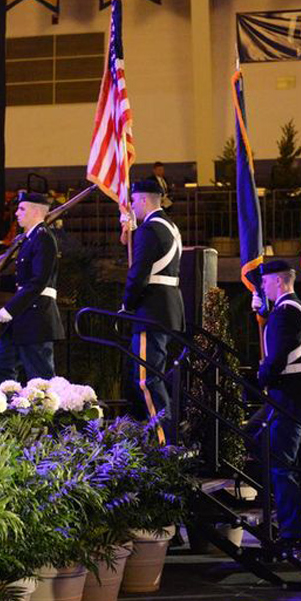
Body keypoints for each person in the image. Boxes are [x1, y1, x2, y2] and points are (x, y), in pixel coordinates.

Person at [248, 259, 301, 555]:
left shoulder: (285, 313)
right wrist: (264, 311)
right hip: (292, 392)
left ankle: (292, 531)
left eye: (265, 282)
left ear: (278, 282)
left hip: (287, 393)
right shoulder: (298, 308)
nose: (263, 287)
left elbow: (278, 355)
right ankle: (285, 519)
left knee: (281, 463)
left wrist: (259, 378)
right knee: (257, 439)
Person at [121, 178, 183, 442]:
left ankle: (163, 442)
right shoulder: (170, 226)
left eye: (134, 201)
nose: (132, 206)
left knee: (147, 380)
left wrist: (127, 304)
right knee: (153, 377)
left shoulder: (149, 230)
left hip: (151, 310)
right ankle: (164, 438)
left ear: (144, 200)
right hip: (167, 309)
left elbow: (139, 273)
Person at [0, 191, 64, 386]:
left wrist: (10, 308)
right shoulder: (29, 239)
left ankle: (46, 415)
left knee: (40, 375)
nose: (17, 213)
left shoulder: (43, 238)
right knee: (0, 365)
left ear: (36, 212)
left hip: (36, 315)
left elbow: (38, 281)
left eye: (22, 209)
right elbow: (23, 280)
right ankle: (9, 409)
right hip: (24, 315)